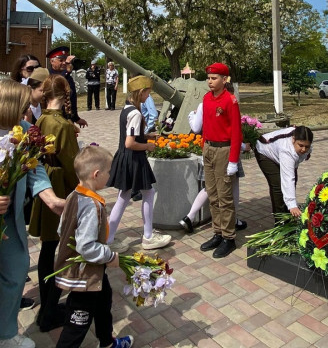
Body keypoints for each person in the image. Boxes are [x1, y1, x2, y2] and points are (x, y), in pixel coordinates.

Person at [0, 79, 65, 348]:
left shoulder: (26, 131)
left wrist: (51, 199)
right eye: (24, 106)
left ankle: (6, 334)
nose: (28, 110)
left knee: (15, 273)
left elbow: (35, 168)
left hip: (10, 221)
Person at [54, 145, 133, 348]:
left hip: (92, 272)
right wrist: (110, 256)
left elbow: (62, 229)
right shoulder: (91, 205)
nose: (110, 176)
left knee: (104, 301)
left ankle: (107, 342)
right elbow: (87, 247)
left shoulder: (73, 195)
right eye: (108, 172)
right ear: (96, 174)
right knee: (77, 324)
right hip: (84, 275)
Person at [28, 74, 80, 332]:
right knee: (64, 251)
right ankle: (49, 312)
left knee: (48, 248)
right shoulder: (62, 125)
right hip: (60, 186)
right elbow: (72, 164)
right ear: (65, 93)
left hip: (44, 182)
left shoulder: (41, 119)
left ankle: (47, 308)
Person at [107, 75, 171, 251]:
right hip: (134, 159)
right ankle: (148, 236)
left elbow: (130, 136)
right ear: (141, 92)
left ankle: (109, 237)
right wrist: (148, 146)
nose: (148, 97)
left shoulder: (126, 108)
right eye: (147, 93)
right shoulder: (135, 113)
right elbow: (130, 143)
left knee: (124, 196)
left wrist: (146, 136)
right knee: (148, 193)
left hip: (125, 157)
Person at [179, 102, 247, 233]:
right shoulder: (229, 104)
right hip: (227, 152)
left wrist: (191, 115)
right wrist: (243, 146)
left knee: (208, 187)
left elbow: (196, 128)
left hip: (209, 151)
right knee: (233, 185)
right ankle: (233, 220)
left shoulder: (203, 104)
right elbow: (230, 133)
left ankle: (189, 217)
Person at [200, 62, 242, 258]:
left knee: (224, 197)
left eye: (214, 78)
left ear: (224, 80)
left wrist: (233, 160)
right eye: (208, 78)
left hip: (224, 151)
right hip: (209, 149)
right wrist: (204, 148)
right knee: (212, 194)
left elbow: (236, 133)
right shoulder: (206, 98)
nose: (210, 81)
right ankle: (217, 232)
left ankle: (229, 237)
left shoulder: (230, 101)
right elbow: (206, 126)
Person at [254, 125, 313, 220]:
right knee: (278, 185)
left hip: (279, 152)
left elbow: (292, 171)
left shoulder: (303, 143)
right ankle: (280, 221)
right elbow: (288, 178)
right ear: (293, 140)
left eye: (307, 146)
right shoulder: (286, 149)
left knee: (292, 183)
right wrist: (292, 204)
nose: (303, 149)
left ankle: (289, 215)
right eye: (301, 145)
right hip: (265, 150)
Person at [47, 46, 88, 128]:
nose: (64, 63)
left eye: (65, 60)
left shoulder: (68, 77)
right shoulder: (48, 75)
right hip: (55, 119)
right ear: (52, 61)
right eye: (61, 60)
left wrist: (76, 118)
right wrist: (66, 72)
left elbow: (72, 99)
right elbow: (57, 83)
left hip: (68, 119)